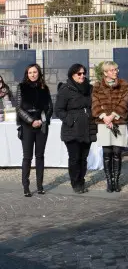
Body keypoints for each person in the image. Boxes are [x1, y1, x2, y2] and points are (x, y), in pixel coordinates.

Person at [55, 63, 97, 194]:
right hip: (72, 129)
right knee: (74, 157)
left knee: (84, 157)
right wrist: (70, 120)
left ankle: (81, 180)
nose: (82, 76)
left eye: (84, 73)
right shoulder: (65, 89)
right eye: (79, 73)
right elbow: (59, 109)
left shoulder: (89, 88)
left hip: (87, 127)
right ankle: (75, 182)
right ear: (72, 75)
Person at [16, 64, 53, 196]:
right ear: (27, 74)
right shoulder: (21, 87)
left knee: (40, 156)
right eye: (30, 72)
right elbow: (19, 108)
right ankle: (26, 187)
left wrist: (42, 121)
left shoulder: (45, 88)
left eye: (35, 72)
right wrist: (31, 121)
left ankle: (40, 185)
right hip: (27, 126)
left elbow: (49, 107)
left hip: (42, 126)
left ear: (39, 73)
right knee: (27, 157)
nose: (32, 74)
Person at [92, 61, 128, 192]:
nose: (116, 71)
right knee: (107, 153)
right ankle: (109, 181)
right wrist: (104, 117)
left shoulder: (124, 84)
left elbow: (124, 102)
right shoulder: (97, 86)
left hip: (119, 122)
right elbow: (95, 103)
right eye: (112, 70)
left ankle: (116, 180)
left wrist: (112, 116)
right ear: (105, 72)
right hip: (104, 124)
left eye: (116, 69)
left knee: (117, 153)